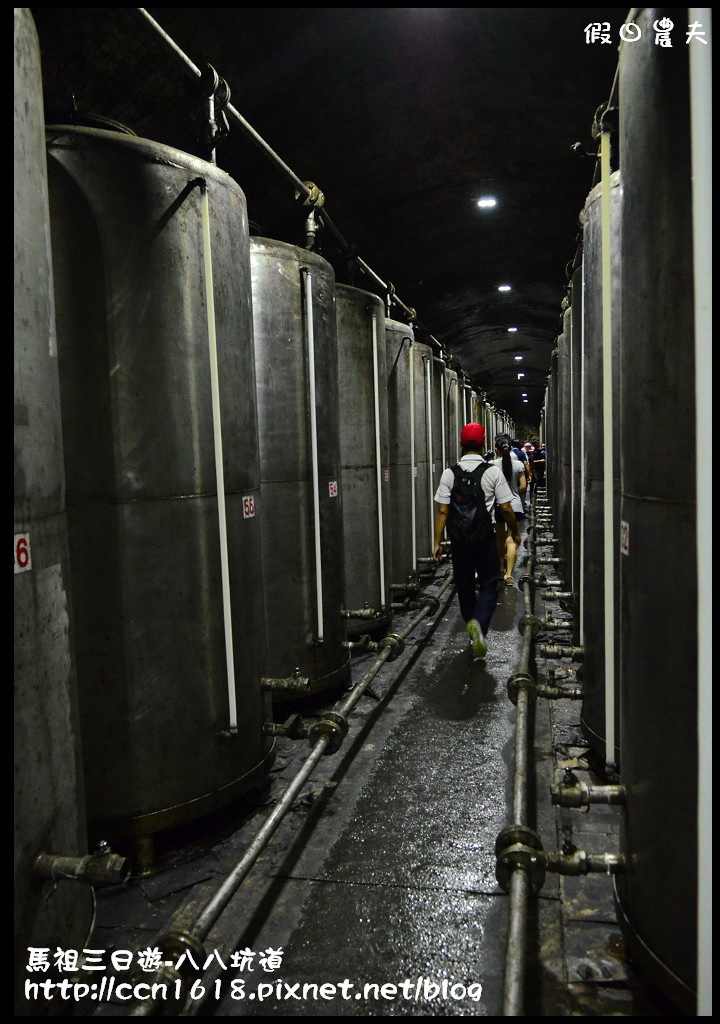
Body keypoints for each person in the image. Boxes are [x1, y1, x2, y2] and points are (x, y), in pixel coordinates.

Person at [432, 423, 521, 659]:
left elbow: (442, 511)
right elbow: (505, 507)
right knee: (490, 584)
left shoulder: (449, 473)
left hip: (459, 541)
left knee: (464, 586)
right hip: (484, 538)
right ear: (483, 444)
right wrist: (515, 530)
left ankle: (472, 626)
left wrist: (437, 541)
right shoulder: (492, 472)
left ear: (461, 444)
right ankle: (480, 625)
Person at [491, 436, 527, 585]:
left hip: (499, 505)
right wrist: (514, 494)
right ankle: (509, 575)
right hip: (516, 506)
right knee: (511, 540)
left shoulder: (491, 465)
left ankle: (500, 568)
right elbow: (524, 486)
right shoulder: (518, 465)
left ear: (496, 450)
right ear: (511, 448)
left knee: (500, 538)